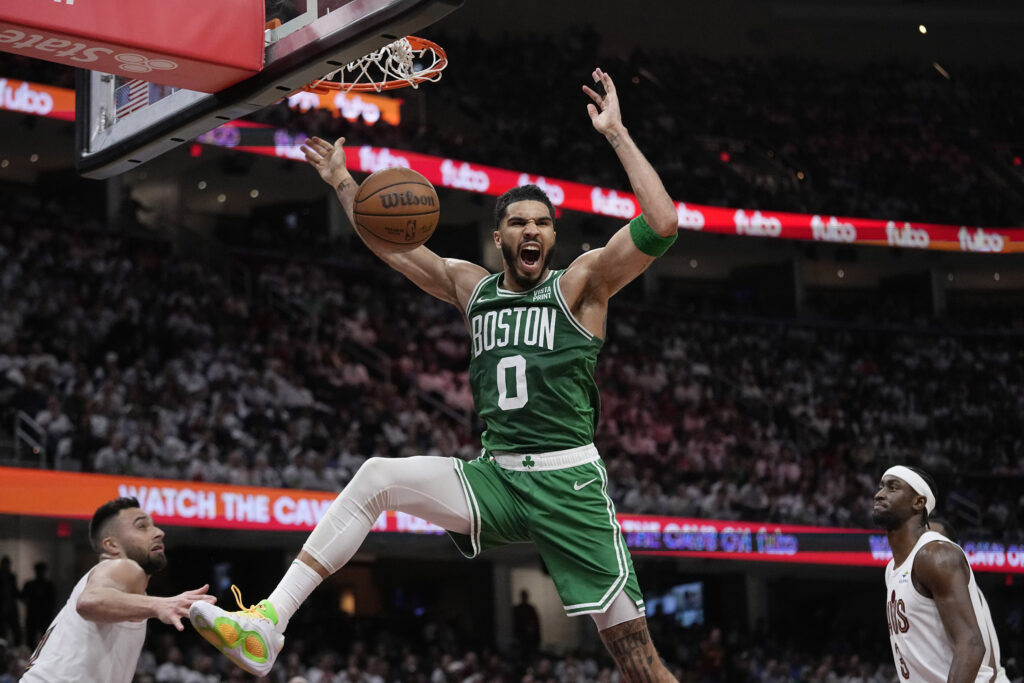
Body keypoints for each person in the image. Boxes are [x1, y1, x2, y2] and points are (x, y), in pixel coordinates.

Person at [190, 67, 680, 682]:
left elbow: (662, 225)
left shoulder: (581, 285)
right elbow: (396, 248)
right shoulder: (470, 287)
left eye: (543, 223)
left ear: (554, 237)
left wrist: (617, 133)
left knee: (636, 661)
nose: (532, 231)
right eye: (520, 223)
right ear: (498, 235)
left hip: (570, 485)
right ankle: (268, 624)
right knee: (375, 478)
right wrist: (345, 182)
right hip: (496, 480)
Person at [21, 497, 215, 682]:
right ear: (112, 545)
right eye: (142, 527)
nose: (158, 532)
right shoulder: (121, 567)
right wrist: (161, 604)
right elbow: (90, 601)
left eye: (154, 525)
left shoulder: (128, 591)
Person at [872, 466, 991, 682]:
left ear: (918, 502)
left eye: (892, 487)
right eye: (881, 487)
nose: (879, 494)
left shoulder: (935, 554)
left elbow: (971, 643)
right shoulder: (892, 569)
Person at [927, 516, 1010, 683]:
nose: (927, 549)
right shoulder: (924, 589)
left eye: (935, 542)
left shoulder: (961, 589)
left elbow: (988, 665)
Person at [19, 562, 55, 648]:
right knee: (32, 639)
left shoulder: (48, 585)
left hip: (42, 615)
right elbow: (23, 597)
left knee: (44, 639)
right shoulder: (31, 585)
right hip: (35, 615)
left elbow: (52, 600)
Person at [512, 589, 541, 658]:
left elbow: (535, 624)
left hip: (530, 638)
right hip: (522, 638)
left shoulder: (530, 608)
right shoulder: (518, 609)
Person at [0, 557, 19, 648]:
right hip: (3, 607)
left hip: (10, 607)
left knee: (15, 630)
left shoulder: (11, 577)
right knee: (2, 631)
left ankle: (14, 647)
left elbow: (14, 591)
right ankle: (3, 648)